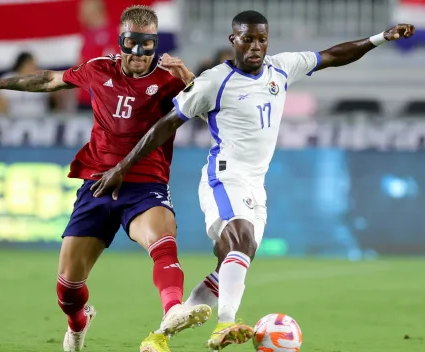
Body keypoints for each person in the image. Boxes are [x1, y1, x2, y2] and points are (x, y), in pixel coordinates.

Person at [86, 10, 416, 351]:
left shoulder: (282, 67)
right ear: (234, 40)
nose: (255, 46)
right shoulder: (215, 80)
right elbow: (167, 124)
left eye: (261, 39)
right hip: (225, 175)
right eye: (247, 39)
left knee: (230, 263)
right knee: (240, 242)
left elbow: (333, 55)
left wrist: (380, 38)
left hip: (256, 185)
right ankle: (225, 326)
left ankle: (159, 337)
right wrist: (123, 166)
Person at [0, 5, 211, 352]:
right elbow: (50, 80)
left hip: (145, 184)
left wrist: (190, 79)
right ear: (121, 41)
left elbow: (210, 115)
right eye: (132, 43)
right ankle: (79, 320)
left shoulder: (170, 79)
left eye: (147, 45)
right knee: (67, 288)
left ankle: (173, 311)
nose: (139, 53)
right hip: (97, 185)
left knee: (162, 242)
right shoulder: (99, 70)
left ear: (156, 44)